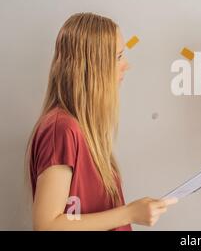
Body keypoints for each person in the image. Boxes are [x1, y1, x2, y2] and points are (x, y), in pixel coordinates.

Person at [26, 13, 177, 230]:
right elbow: (48, 224)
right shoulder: (61, 129)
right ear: (92, 66)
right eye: (118, 57)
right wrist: (129, 213)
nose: (126, 65)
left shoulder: (83, 129)